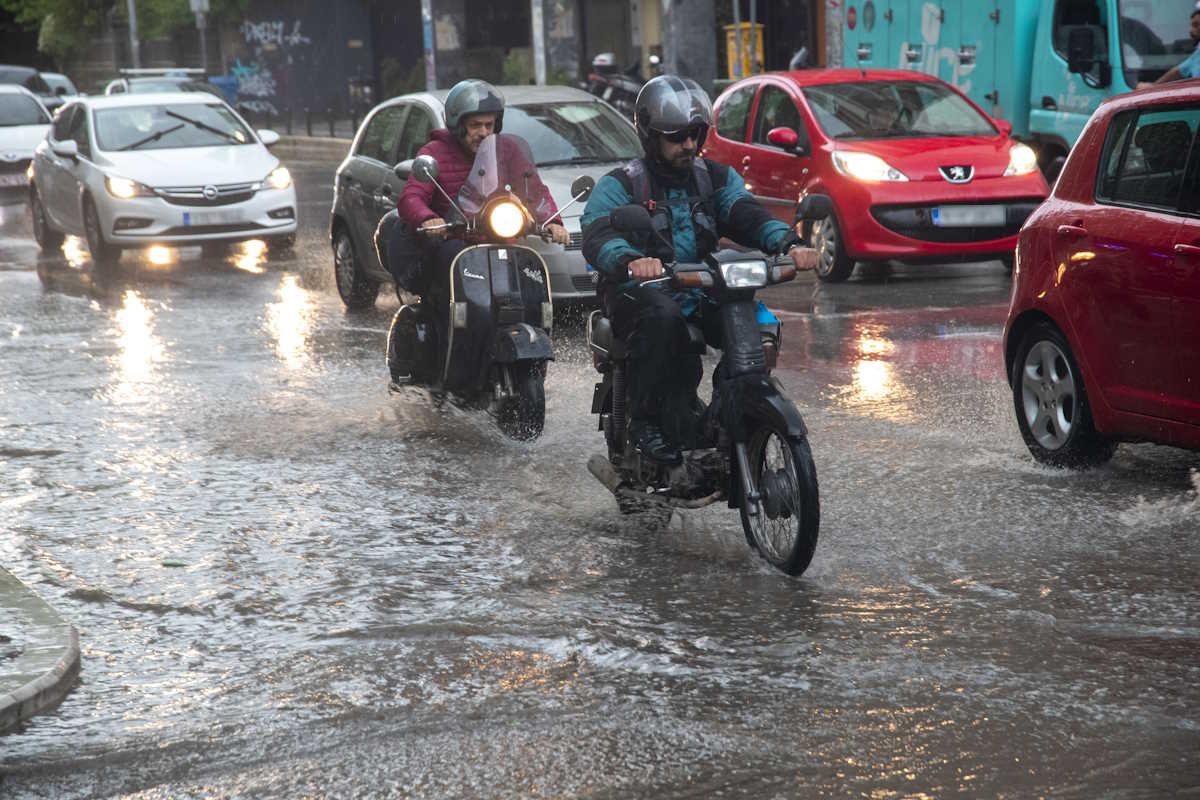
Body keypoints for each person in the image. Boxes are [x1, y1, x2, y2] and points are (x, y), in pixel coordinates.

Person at [580, 75, 819, 464]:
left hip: (703, 284)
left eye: (695, 134)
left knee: (757, 328)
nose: (688, 144)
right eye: (677, 136)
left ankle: (730, 415)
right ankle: (644, 423)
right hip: (638, 290)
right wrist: (629, 260)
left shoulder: (715, 178)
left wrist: (789, 243)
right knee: (663, 317)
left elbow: (745, 213)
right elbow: (598, 232)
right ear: (651, 135)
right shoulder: (622, 184)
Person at [394, 79, 570, 377]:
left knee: (522, 293)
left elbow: (534, 189)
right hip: (453, 240)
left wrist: (552, 221)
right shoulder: (435, 152)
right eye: (476, 125)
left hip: (496, 238)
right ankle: (454, 358)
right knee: (460, 280)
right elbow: (412, 196)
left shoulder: (509, 150)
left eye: (489, 124)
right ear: (459, 124)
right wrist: (427, 218)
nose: (484, 132)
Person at [1137, 4, 1200, 88]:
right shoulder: (1197, 56)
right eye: (1191, 26)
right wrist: (1152, 87)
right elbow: (1177, 72)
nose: (1190, 31)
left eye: (1196, 25)